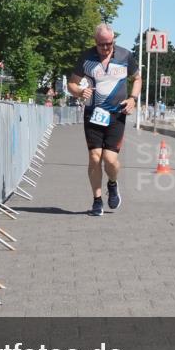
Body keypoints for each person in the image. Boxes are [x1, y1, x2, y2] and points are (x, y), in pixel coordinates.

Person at [67, 24, 141, 217]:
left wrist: (133, 99)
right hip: (93, 114)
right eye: (101, 44)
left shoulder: (125, 56)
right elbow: (71, 84)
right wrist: (80, 92)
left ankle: (113, 184)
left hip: (117, 115)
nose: (106, 48)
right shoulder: (86, 57)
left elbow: (137, 79)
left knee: (110, 159)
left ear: (113, 40)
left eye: (109, 43)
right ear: (95, 42)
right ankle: (97, 201)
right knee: (94, 157)